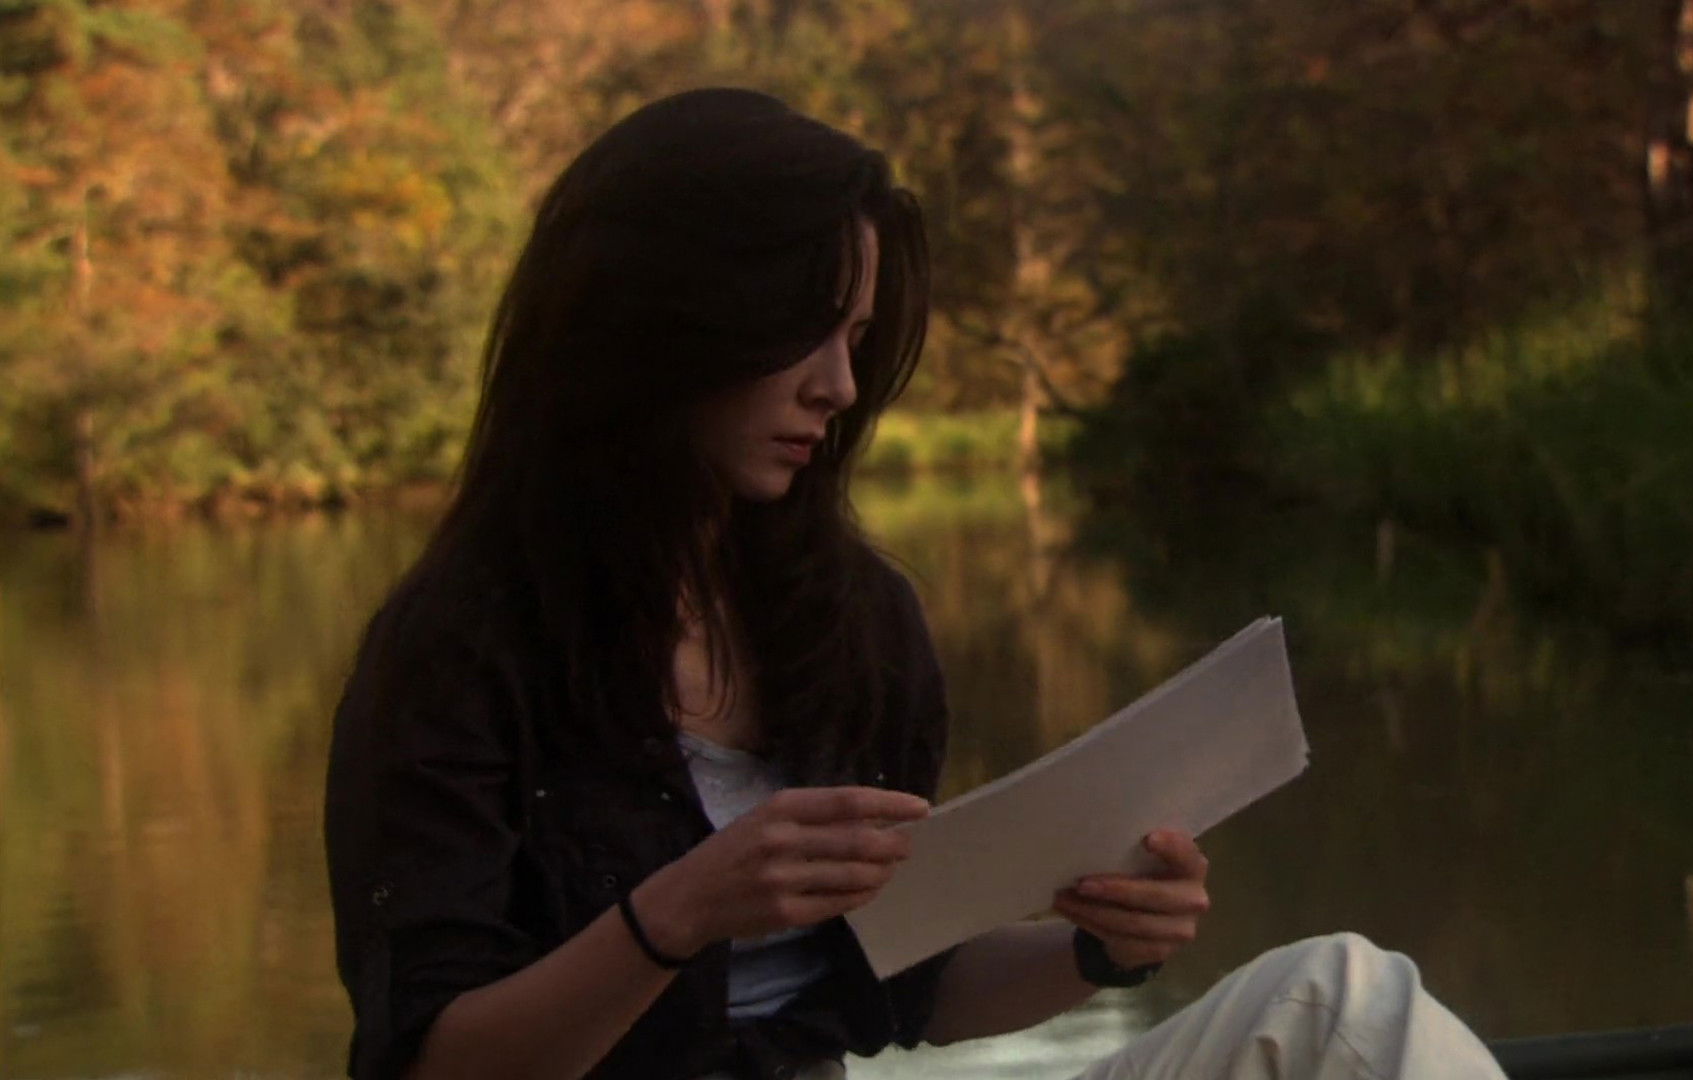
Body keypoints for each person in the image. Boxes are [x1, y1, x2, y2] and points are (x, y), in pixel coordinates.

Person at [323, 87, 1510, 1080]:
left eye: (856, 338)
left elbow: (911, 985)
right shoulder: (459, 652)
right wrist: (675, 914)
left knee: (1342, 1005)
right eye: (806, 330)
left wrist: (1100, 948)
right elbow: (432, 1065)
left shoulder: (854, 623)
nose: (840, 387)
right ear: (663, 318)